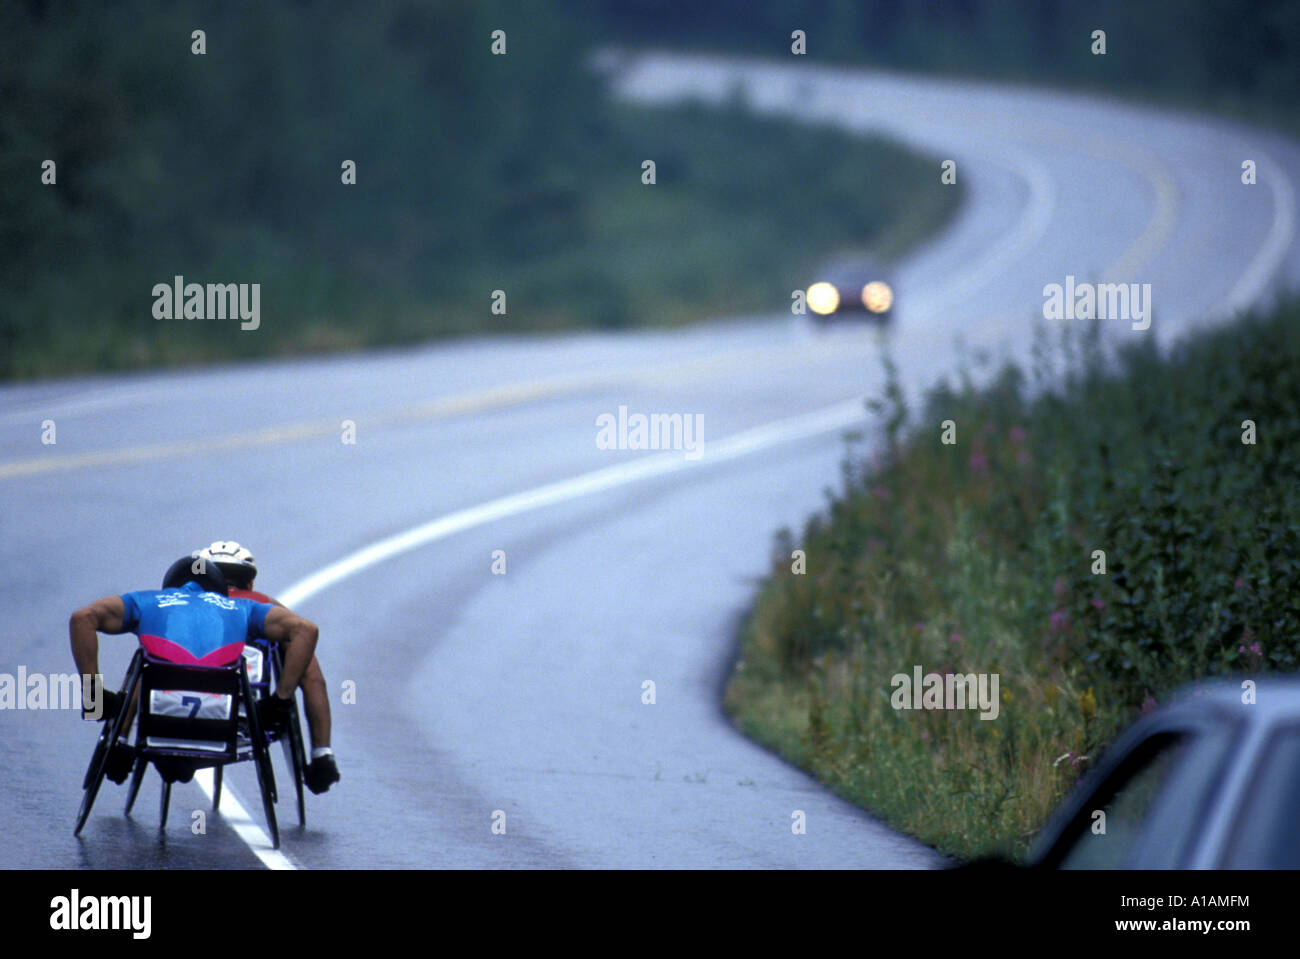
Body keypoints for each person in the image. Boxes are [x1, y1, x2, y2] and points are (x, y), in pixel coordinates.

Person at [71, 556, 319, 785]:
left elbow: (82, 618)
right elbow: (306, 630)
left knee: (145, 661)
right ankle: (178, 765)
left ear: (169, 587)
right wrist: (280, 701)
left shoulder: (146, 600)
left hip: (158, 725)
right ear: (221, 590)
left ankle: (122, 740)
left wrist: (95, 697)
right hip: (220, 728)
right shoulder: (242, 607)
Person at [196, 541, 340, 794]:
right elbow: (312, 680)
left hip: (174, 713)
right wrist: (321, 753)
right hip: (246, 717)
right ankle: (323, 755)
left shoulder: (181, 605)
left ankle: (119, 738)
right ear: (250, 584)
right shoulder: (268, 608)